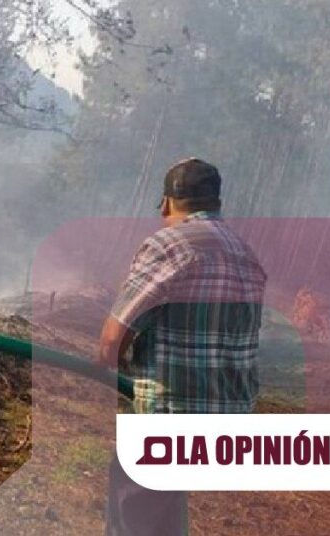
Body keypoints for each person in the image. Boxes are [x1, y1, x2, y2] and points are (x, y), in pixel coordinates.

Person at [97, 158, 267, 535]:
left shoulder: (169, 244)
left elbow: (114, 335)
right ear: (217, 202)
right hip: (231, 420)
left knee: (133, 515)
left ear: (166, 203)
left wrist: (111, 361)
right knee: (164, 504)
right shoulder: (245, 253)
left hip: (173, 415)